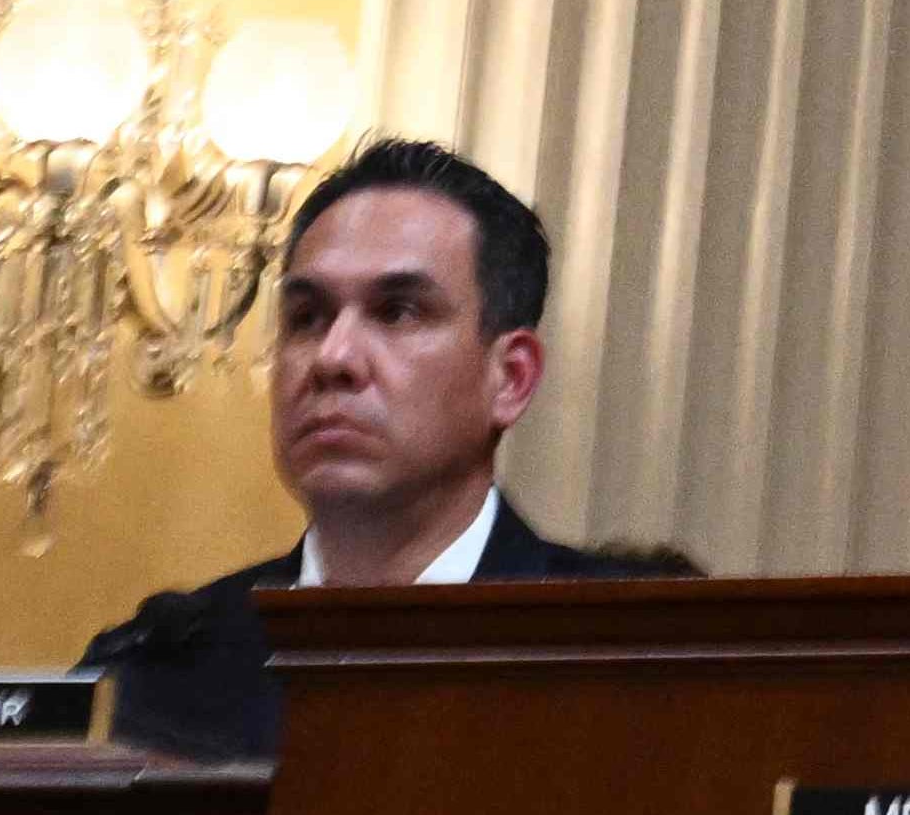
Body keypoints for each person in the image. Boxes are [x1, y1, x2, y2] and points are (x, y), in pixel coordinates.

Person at [82, 140, 678, 760]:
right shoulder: (157, 671)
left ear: (511, 378)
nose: (333, 358)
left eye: (396, 312)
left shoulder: (630, 656)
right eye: (307, 317)